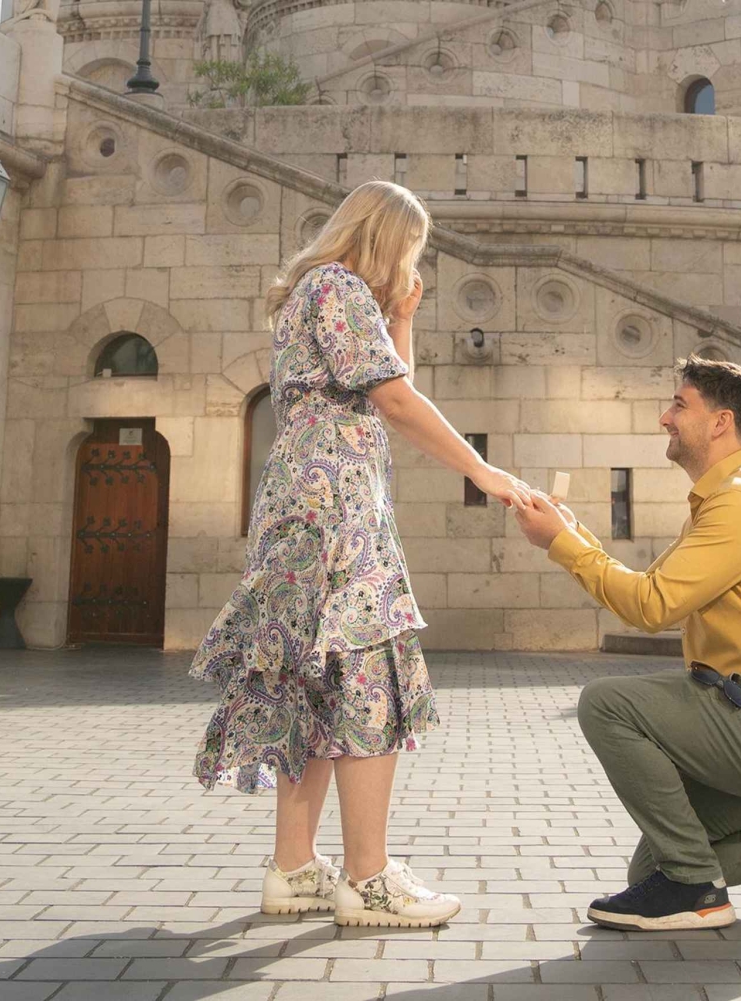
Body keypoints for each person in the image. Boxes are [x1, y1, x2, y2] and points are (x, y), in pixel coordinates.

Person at [189, 180, 531, 929]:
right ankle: (369, 879)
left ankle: (294, 865)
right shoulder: (339, 286)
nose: (413, 266)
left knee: (312, 674)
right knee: (366, 669)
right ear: (388, 241)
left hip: (302, 500)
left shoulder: (313, 292)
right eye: (411, 252)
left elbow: (390, 384)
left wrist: (403, 315)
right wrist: (483, 470)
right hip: (337, 503)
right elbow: (398, 402)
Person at [513, 357, 741, 931]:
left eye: (679, 405)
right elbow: (649, 588)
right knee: (648, 872)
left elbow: (650, 607)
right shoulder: (724, 499)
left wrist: (560, 545)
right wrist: (570, 534)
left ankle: (697, 889)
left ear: (719, 422)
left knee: (607, 704)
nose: (665, 417)